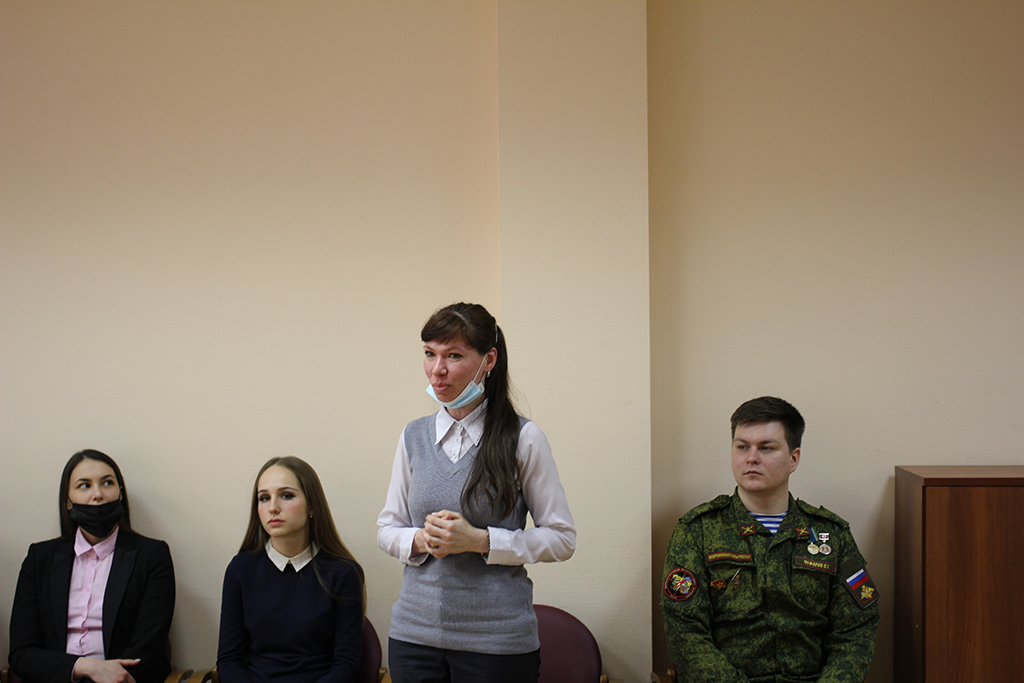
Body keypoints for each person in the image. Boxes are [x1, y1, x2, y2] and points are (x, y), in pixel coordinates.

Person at [377, 302, 576, 683]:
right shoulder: (413, 436)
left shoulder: (523, 438)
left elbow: (562, 539)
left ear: (489, 360)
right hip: (413, 636)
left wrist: (481, 541)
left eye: (454, 356)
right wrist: (421, 539)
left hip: (496, 642)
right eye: (430, 354)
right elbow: (387, 529)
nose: (438, 369)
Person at [661, 397, 879, 683]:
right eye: (742, 447)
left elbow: (856, 629)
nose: (751, 458)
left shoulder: (831, 534)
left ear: (793, 459)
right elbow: (685, 633)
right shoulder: (697, 531)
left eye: (766, 448)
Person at [9, 450, 175, 683]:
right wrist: (85, 667)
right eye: (84, 485)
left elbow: (147, 649)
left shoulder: (152, 555)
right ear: (68, 501)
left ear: (120, 494)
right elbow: (22, 654)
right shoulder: (40, 558)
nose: (97, 494)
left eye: (107, 483)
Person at [217, 456, 365, 683]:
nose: (273, 508)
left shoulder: (343, 572)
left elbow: (346, 665)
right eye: (264, 498)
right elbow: (229, 660)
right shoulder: (241, 569)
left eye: (286, 496)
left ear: (312, 506)